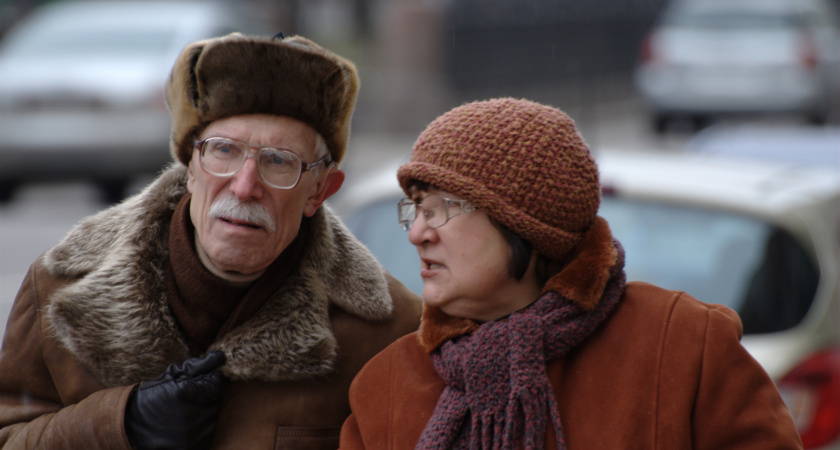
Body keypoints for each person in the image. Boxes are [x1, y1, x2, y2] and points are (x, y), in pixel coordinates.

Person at [0, 33, 421, 449]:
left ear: (320, 191)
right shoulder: (58, 285)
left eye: (279, 161)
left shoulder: (386, 333)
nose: (244, 186)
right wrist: (120, 424)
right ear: (191, 166)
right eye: (224, 150)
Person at [340, 98, 802, 449]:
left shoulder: (682, 347)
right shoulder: (385, 387)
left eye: (440, 209)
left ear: (523, 222)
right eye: (415, 209)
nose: (417, 233)